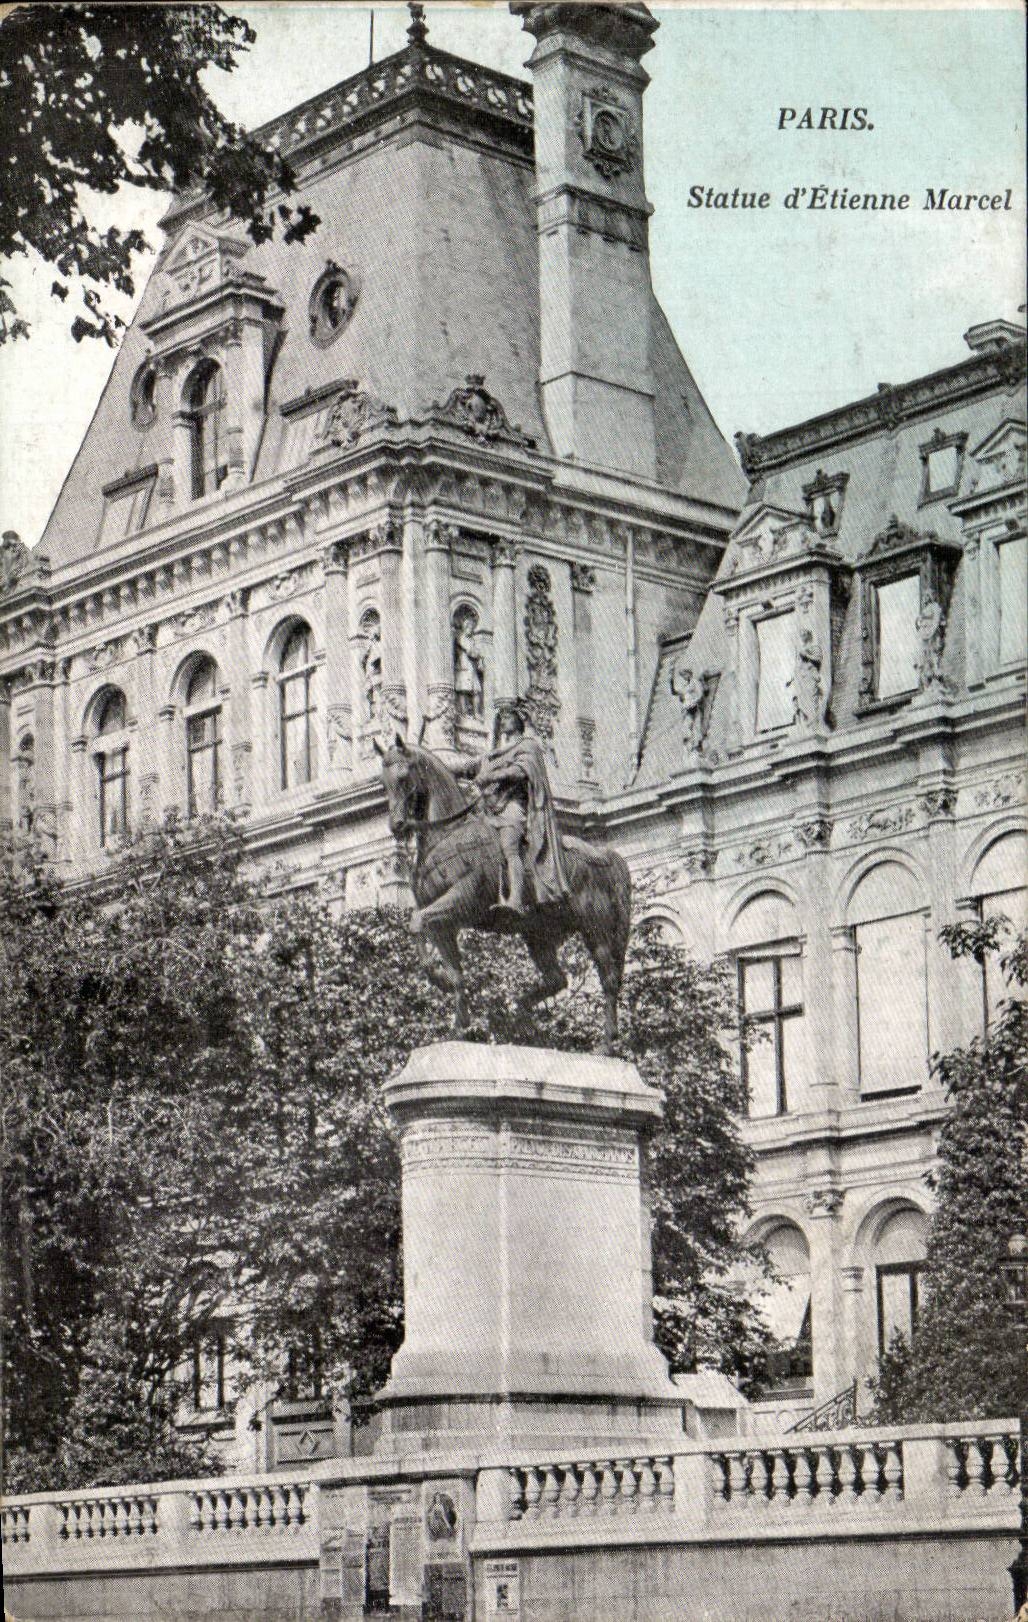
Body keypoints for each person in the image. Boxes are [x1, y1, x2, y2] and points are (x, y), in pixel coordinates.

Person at [456, 707, 569, 913]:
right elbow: (465, 766)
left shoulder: (528, 746)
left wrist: (490, 777)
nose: (504, 722)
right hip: (489, 810)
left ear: (519, 721)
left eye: (508, 718)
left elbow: (520, 771)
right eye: (501, 719)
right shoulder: (492, 755)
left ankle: (516, 900)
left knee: (509, 846)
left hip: (514, 807)